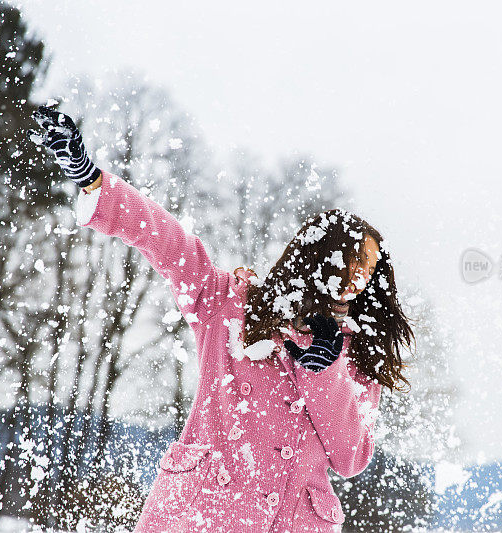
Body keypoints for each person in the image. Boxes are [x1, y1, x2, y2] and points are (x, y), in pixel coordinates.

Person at [30, 106, 414, 533]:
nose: (362, 275)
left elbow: (351, 457)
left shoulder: (357, 354)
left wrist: (325, 372)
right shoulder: (232, 304)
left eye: (371, 268)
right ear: (323, 255)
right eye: (356, 259)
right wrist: (93, 181)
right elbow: (172, 246)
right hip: (201, 515)